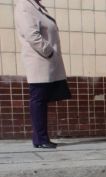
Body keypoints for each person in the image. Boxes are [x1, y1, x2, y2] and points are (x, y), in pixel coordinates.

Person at [15, 0, 71, 149]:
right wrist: (49, 51)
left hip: (45, 61)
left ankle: (41, 138)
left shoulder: (36, 6)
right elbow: (31, 35)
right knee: (38, 100)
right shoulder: (24, 6)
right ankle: (40, 139)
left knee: (41, 100)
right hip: (39, 61)